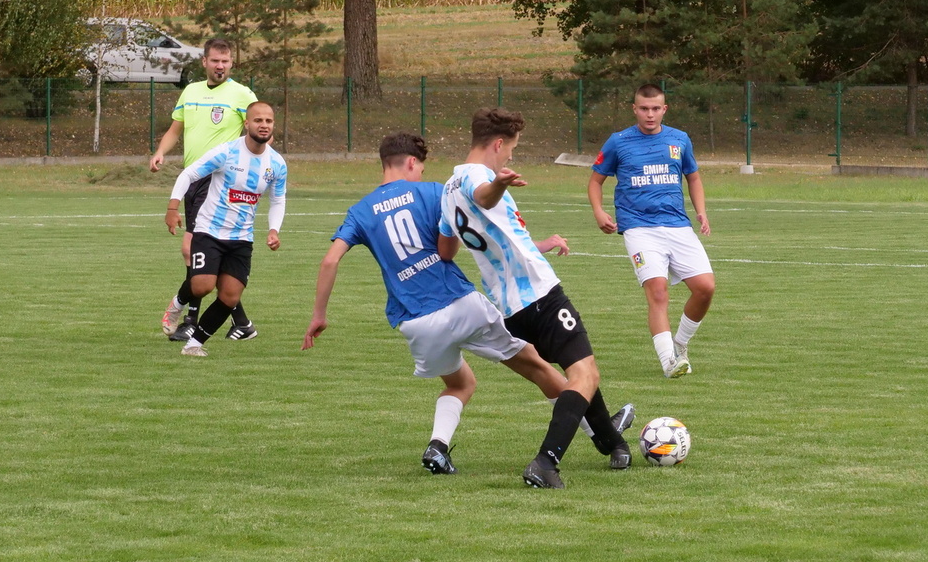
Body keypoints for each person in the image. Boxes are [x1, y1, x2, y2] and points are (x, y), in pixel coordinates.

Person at [303, 132, 579, 488]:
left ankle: (438, 447)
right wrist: (540, 244)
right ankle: (598, 426)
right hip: (460, 303)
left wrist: (319, 316)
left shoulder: (360, 211)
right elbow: (479, 236)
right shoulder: (433, 192)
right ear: (411, 162)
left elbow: (329, 261)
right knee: (536, 364)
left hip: (416, 323)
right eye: (420, 167)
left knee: (460, 383)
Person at [440, 108, 636, 489]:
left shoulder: (447, 190)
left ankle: (613, 443)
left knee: (577, 368)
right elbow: (483, 197)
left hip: (510, 309)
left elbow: (446, 249)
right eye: (511, 149)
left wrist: (535, 244)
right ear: (498, 144)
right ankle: (546, 462)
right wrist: (499, 185)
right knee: (586, 374)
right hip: (541, 295)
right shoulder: (479, 177)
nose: (510, 156)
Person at [587, 84, 716, 378]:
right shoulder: (618, 142)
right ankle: (669, 362)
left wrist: (701, 211)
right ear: (635, 109)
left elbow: (693, 178)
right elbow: (595, 181)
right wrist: (599, 211)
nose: (650, 114)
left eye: (655, 108)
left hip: (677, 225)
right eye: (644, 109)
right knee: (658, 291)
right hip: (638, 228)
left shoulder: (679, 139)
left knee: (706, 288)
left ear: (664, 109)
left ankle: (680, 345)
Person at [154, 38, 259, 342]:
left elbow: (259, 133)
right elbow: (175, 129)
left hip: (220, 181)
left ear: (232, 63)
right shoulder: (191, 92)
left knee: (192, 248)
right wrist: (160, 152)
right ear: (205, 62)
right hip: (194, 180)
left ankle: (189, 318)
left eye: (225, 61)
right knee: (207, 253)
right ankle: (241, 322)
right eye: (215, 61)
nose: (220, 66)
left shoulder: (242, 94)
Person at [164, 101, 286, 357]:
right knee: (202, 286)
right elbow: (188, 174)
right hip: (209, 230)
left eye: (268, 121)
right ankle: (177, 304)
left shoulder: (277, 163)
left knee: (230, 296)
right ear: (247, 124)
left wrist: (273, 230)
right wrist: (173, 208)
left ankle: (194, 345)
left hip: (242, 238)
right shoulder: (227, 152)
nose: (264, 125)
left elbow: (278, 199)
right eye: (258, 120)